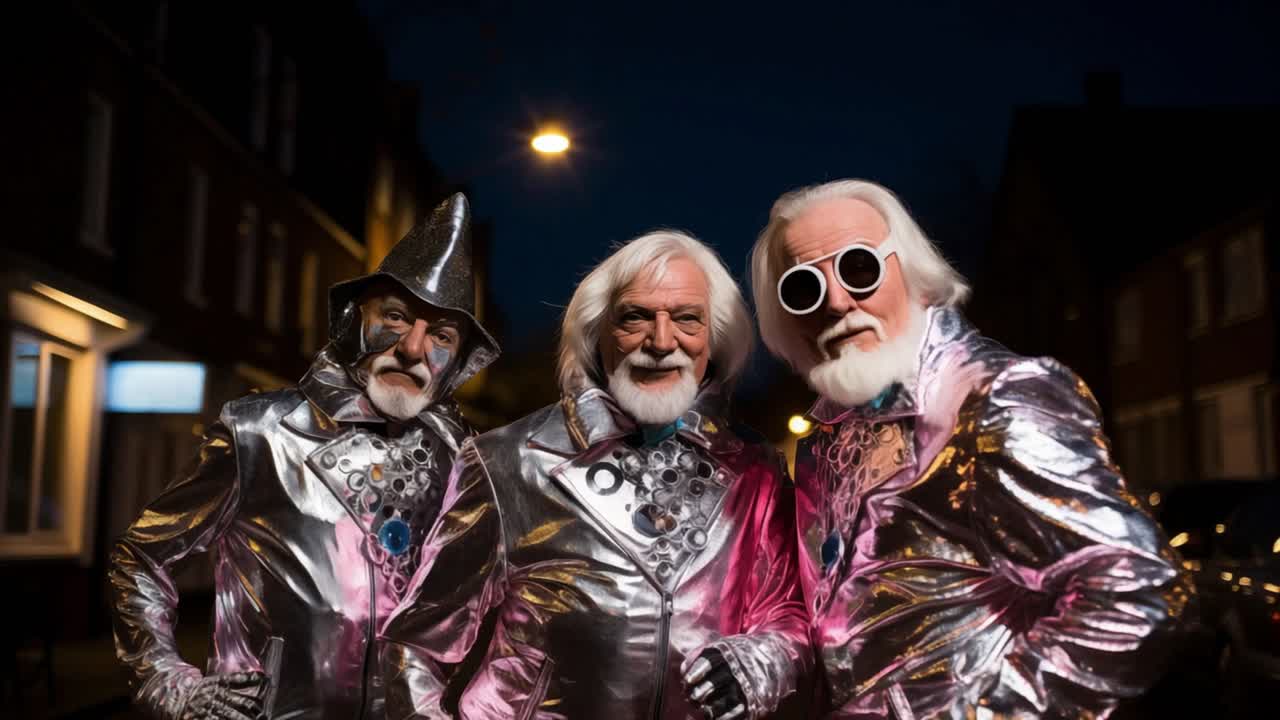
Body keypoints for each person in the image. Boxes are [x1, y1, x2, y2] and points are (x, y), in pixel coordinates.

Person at [749, 179, 1192, 718]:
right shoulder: (828, 434)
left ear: (910, 270)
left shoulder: (994, 398)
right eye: (803, 288)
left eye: (858, 268)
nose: (837, 303)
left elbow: (1135, 588)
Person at [380, 230, 811, 719]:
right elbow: (414, 646)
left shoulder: (756, 470)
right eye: (635, 318)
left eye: (687, 319)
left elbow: (786, 613)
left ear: (714, 338)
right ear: (597, 332)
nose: (662, 341)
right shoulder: (508, 460)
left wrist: (764, 660)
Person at [109, 194, 499, 720]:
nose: (412, 348)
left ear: (458, 362)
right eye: (396, 317)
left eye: (441, 336)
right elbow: (141, 558)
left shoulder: (466, 464)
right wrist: (169, 682)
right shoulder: (259, 432)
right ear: (353, 319)